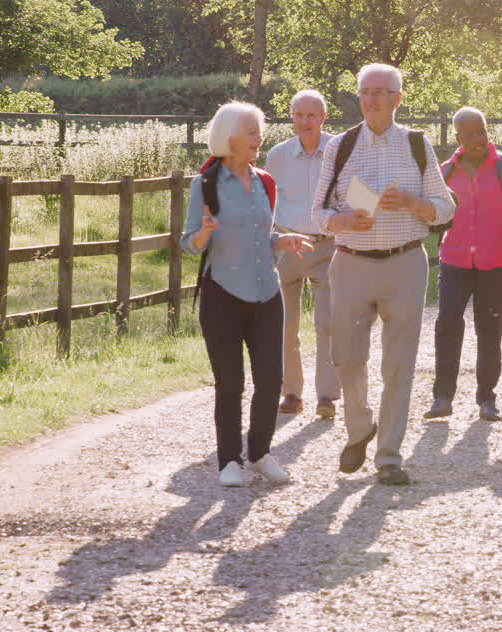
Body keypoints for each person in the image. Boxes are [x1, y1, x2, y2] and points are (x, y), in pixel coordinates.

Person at [311, 63, 455, 485]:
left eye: (380, 92)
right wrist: (340, 221)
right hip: (350, 264)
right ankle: (360, 428)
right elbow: (318, 210)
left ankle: (389, 456)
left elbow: (445, 208)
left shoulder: (416, 144)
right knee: (347, 358)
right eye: (365, 92)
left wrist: (413, 203)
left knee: (399, 364)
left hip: (405, 264)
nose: (371, 99)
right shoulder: (340, 146)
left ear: (398, 98)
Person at [181, 101, 314, 487]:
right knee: (230, 383)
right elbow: (188, 242)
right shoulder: (205, 185)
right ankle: (229, 461)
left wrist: (281, 240)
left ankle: (260, 454)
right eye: (252, 132)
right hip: (222, 294)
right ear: (231, 137)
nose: (259, 138)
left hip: (266, 292)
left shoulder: (265, 183)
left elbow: (261, 238)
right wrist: (204, 234)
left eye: (259, 131)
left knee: (271, 379)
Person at [423, 107, 502, 423]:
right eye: (470, 134)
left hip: (497, 263)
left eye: (482, 131)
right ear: (458, 138)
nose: (478, 139)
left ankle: (487, 399)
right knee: (447, 326)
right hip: (455, 262)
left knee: (490, 331)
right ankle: (442, 397)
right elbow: (433, 213)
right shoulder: (445, 172)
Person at [265, 90, 340, 419]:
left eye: (311, 115)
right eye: (299, 115)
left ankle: (326, 396)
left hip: (327, 246)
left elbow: (358, 195)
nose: (305, 121)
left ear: (323, 117)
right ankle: (291, 393)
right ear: (292, 117)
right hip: (287, 245)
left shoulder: (339, 150)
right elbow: (267, 202)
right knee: (284, 324)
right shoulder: (278, 155)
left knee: (328, 324)